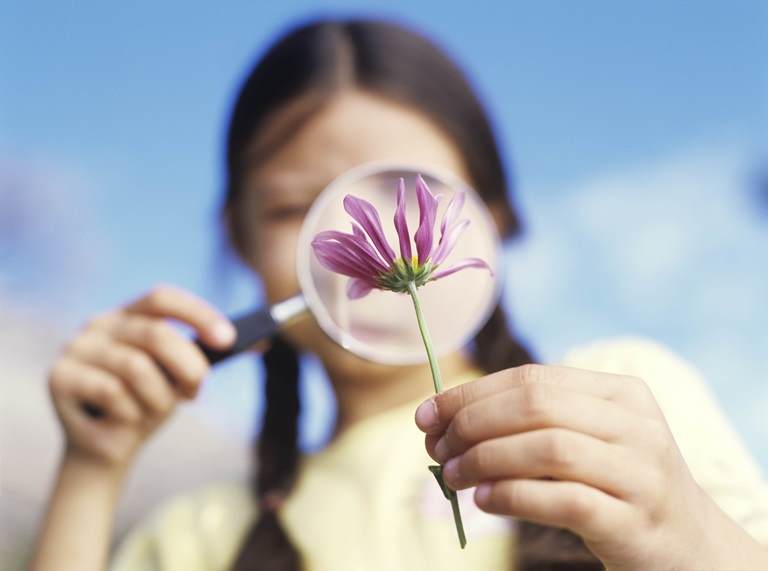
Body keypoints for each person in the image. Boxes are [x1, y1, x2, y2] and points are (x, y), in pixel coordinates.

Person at [29, 17, 768, 571]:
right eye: (293, 208)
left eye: (409, 193)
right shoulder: (199, 535)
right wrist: (91, 471)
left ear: (494, 220)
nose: (371, 243)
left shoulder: (621, 398)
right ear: (240, 239)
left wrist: (689, 535)